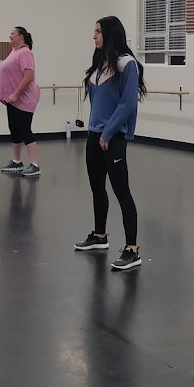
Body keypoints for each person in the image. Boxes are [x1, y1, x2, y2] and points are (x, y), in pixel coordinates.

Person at [73, 16, 146, 272]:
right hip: (94, 136)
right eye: (94, 31)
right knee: (97, 188)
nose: (94, 36)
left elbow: (128, 103)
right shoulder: (100, 64)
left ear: (110, 34)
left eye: (98, 31)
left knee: (121, 191)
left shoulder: (127, 64)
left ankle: (132, 249)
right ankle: (100, 236)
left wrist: (108, 132)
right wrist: (96, 132)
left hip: (112, 138)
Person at [0, 26, 41, 176]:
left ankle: (35, 164)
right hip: (12, 99)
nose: (10, 36)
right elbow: (10, 75)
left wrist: (16, 94)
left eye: (12, 33)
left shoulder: (25, 53)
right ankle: (17, 162)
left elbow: (28, 76)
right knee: (14, 129)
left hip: (24, 98)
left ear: (21, 37)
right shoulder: (14, 52)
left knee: (24, 129)